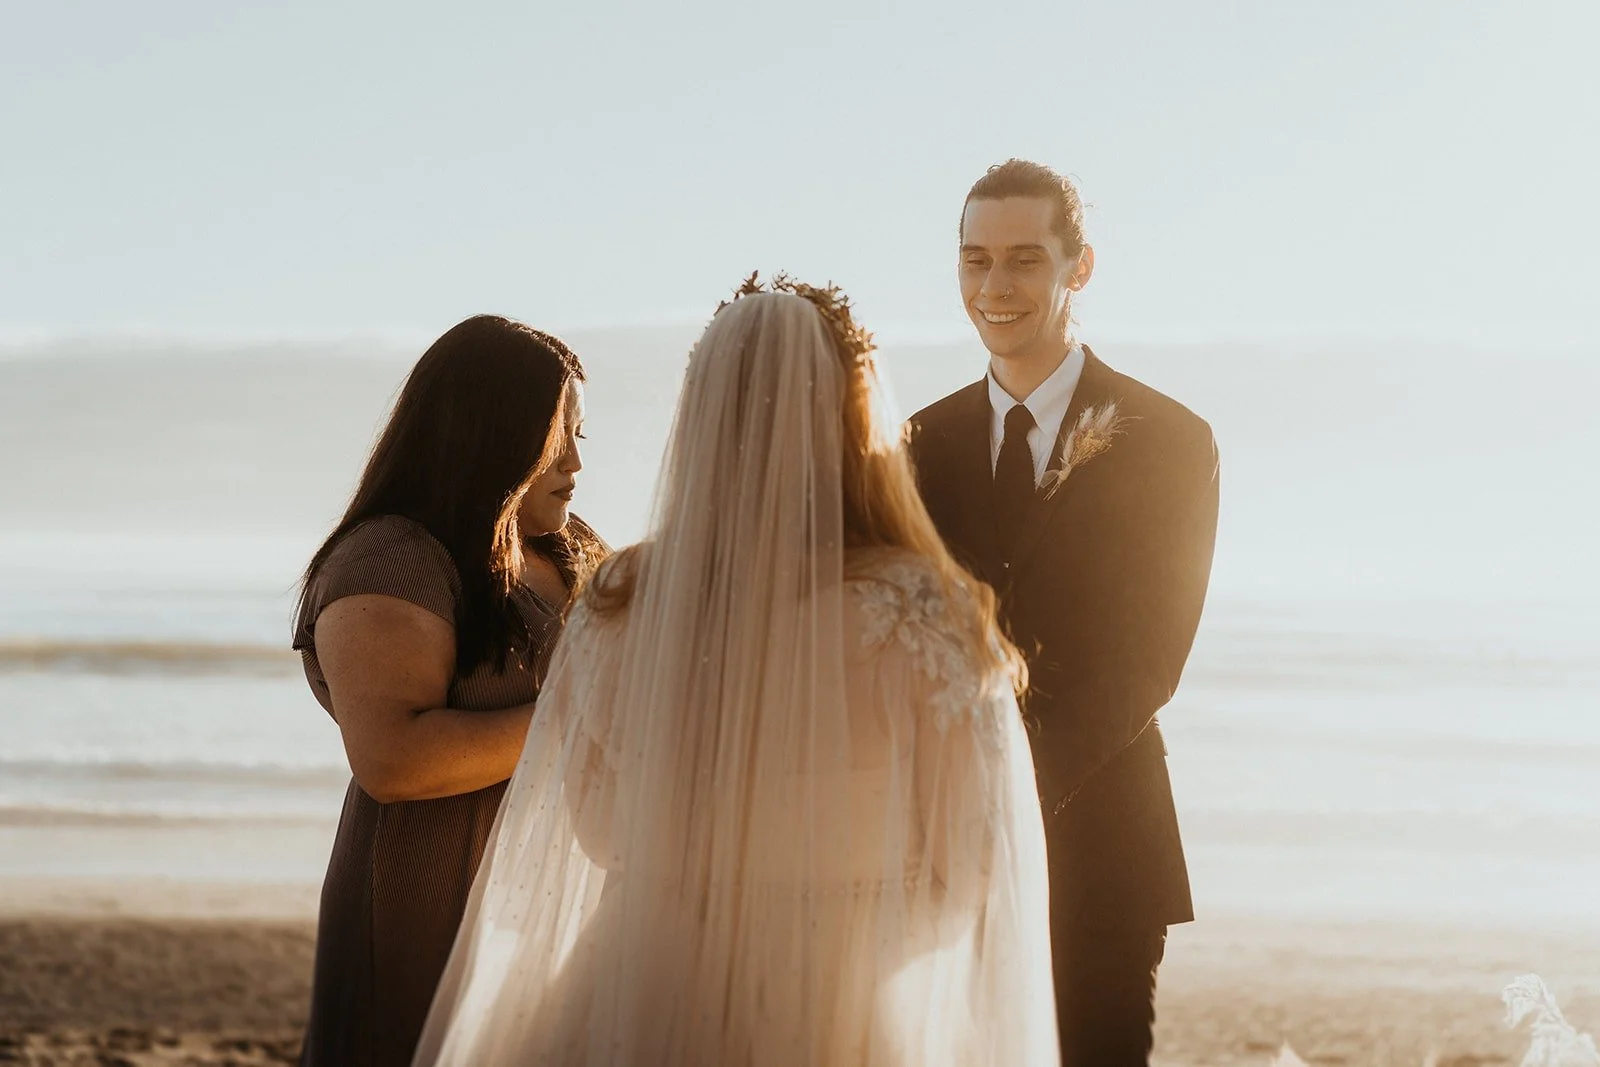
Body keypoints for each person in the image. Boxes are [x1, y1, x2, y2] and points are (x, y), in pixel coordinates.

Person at [414, 277, 1058, 1066]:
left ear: (704, 422)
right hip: (839, 1012)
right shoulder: (919, 612)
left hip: (636, 993)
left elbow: (598, 830)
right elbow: (977, 867)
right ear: (858, 419)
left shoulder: (622, 601)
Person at [907, 160, 1220, 1066]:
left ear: (1079, 267)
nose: (994, 287)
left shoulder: (1171, 440)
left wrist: (1009, 789)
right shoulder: (916, 445)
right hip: (939, 856)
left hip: (1103, 852)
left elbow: (1149, 657)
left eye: (1023, 261)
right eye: (974, 261)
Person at [291, 314, 607, 1067]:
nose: (574, 462)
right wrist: (583, 711)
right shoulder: (390, 559)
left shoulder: (576, 549)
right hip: (429, 898)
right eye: (554, 435)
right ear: (490, 434)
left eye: (580, 438)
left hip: (549, 898)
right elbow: (394, 759)